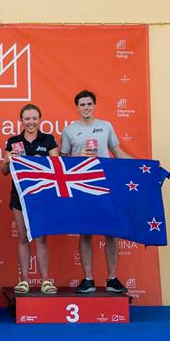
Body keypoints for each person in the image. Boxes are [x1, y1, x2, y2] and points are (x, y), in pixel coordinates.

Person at [60, 89, 130, 294]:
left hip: (106, 183)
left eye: (89, 104)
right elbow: (62, 161)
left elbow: (117, 152)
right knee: (85, 233)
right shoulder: (69, 130)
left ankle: (112, 279)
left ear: (94, 105)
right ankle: (88, 279)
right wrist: (79, 155)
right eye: (82, 104)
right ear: (77, 107)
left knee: (111, 233)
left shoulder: (106, 126)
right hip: (83, 185)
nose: (86, 108)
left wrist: (144, 165)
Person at [2, 104, 59, 294]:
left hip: (41, 195)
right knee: (23, 237)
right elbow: (3, 171)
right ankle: (24, 280)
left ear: (39, 119)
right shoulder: (13, 141)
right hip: (19, 195)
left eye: (34, 118)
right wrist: (8, 160)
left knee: (41, 238)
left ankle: (45, 281)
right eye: (27, 118)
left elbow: (56, 167)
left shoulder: (48, 140)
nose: (31, 122)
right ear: (21, 121)